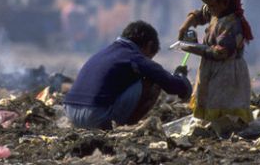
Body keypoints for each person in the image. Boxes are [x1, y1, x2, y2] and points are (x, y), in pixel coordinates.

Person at [63, 20, 192, 130]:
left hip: (70, 112)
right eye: (149, 57)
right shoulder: (134, 56)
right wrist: (181, 77)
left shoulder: (104, 53)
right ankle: (124, 127)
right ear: (149, 45)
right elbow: (173, 86)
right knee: (153, 80)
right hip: (95, 115)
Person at [177, 0, 253, 124]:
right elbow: (201, 14)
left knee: (222, 107)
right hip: (211, 69)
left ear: (224, 2)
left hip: (227, 73)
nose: (208, 8)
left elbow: (220, 53)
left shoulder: (232, 24)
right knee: (208, 101)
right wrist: (187, 23)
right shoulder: (215, 11)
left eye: (211, 4)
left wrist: (192, 48)